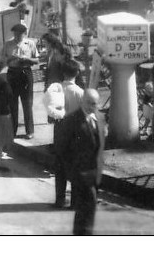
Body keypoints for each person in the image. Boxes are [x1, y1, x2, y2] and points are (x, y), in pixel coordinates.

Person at [54, 89, 107, 235]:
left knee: (85, 208)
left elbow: (100, 144)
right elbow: (62, 148)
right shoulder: (71, 120)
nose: (92, 106)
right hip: (79, 172)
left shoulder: (100, 118)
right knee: (88, 204)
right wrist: (71, 171)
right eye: (89, 103)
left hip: (95, 171)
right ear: (82, 101)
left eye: (95, 104)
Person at [44, 59, 85, 209]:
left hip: (60, 129)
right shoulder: (80, 92)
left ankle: (59, 200)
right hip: (76, 132)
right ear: (77, 73)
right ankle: (74, 202)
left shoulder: (55, 90)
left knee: (60, 165)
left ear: (63, 72)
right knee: (75, 167)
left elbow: (51, 114)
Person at [3, 23, 39, 138]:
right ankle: (12, 130)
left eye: (20, 34)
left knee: (27, 103)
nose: (17, 36)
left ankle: (30, 131)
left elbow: (37, 60)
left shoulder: (30, 44)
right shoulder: (8, 44)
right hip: (12, 74)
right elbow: (2, 60)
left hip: (25, 73)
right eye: (15, 34)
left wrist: (27, 59)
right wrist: (10, 59)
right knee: (12, 103)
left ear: (25, 34)